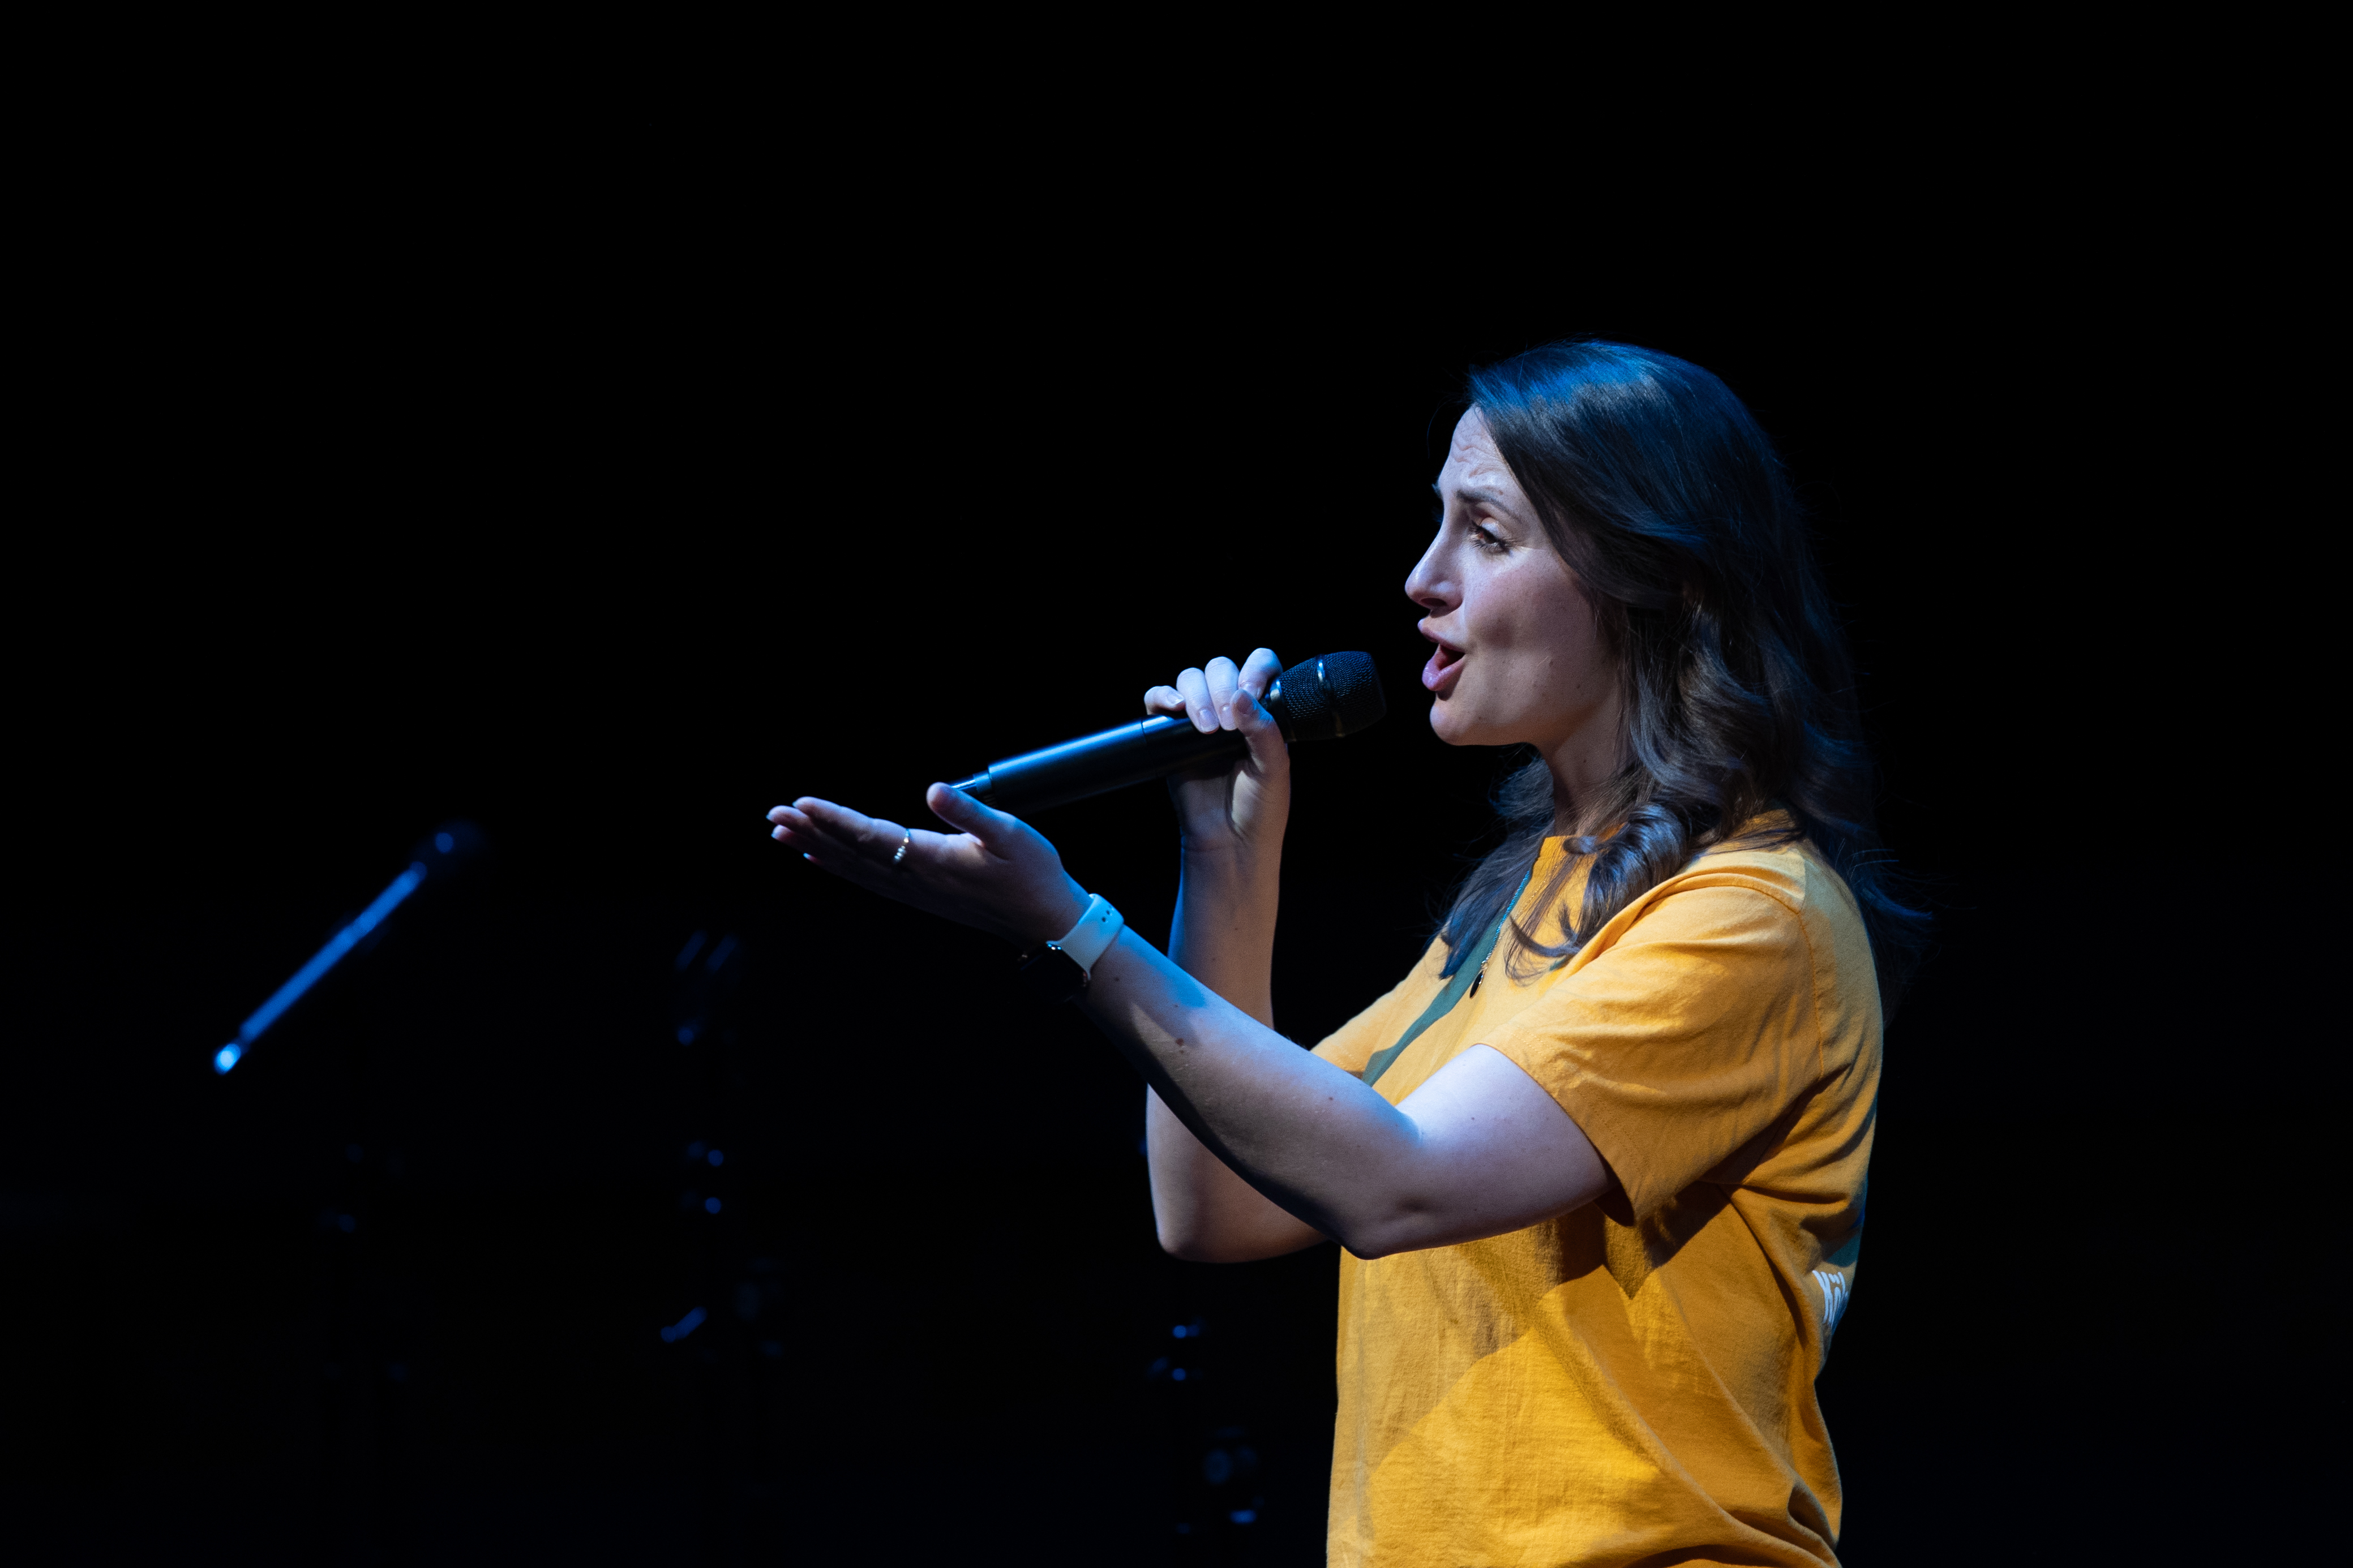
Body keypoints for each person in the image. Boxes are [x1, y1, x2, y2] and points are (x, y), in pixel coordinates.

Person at [768, 338, 1921, 1567]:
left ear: (1662, 579)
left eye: (1485, 533)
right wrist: (1225, 860)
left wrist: (1073, 929)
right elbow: (1217, 1205)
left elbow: (1394, 1183)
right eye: (1436, 524)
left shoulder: (1751, 915)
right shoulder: (1520, 910)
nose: (1422, 578)